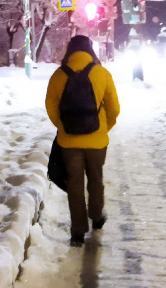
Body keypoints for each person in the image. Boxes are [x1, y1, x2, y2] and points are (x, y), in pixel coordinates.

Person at [45, 35, 120, 247]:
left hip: (69, 142)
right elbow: (114, 108)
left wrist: (63, 127)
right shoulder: (102, 73)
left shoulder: (58, 76)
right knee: (96, 179)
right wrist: (104, 128)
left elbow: (51, 107)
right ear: (90, 50)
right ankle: (96, 216)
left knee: (75, 185)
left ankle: (78, 231)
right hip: (97, 142)